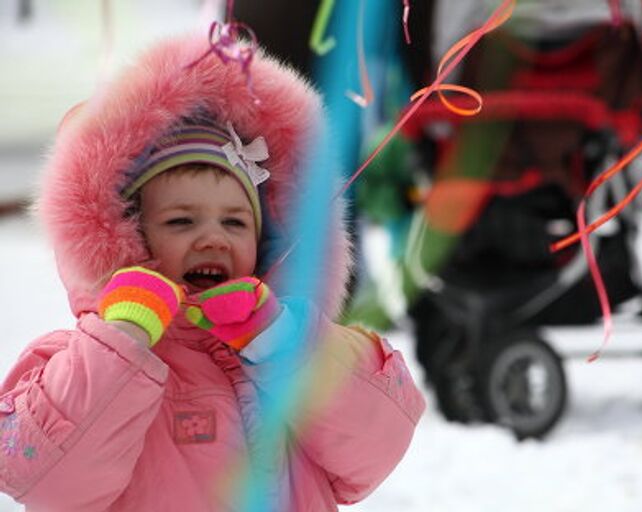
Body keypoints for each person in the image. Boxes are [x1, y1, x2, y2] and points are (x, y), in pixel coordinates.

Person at [0, 33, 425, 512]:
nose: (213, 239)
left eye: (235, 222)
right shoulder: (80, 356)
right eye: (181, 221)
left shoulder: (295, 336)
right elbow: (47, 480)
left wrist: (288, 346)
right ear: (132, 237)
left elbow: (377, 446)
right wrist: (121, 341)